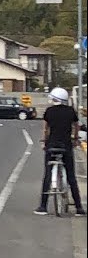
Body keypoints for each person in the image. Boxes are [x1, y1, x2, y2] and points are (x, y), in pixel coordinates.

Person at [36, 87, 85, 216]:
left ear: (54, 99)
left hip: (52, 145)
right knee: (71, 176)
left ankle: (43, 206)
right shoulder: (70, 111)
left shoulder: (49, 111)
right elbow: (76, 125)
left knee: (48, 174)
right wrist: (75, 139)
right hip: (66, 146)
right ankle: (79, 208)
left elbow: (46, 129)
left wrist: (44, 142)